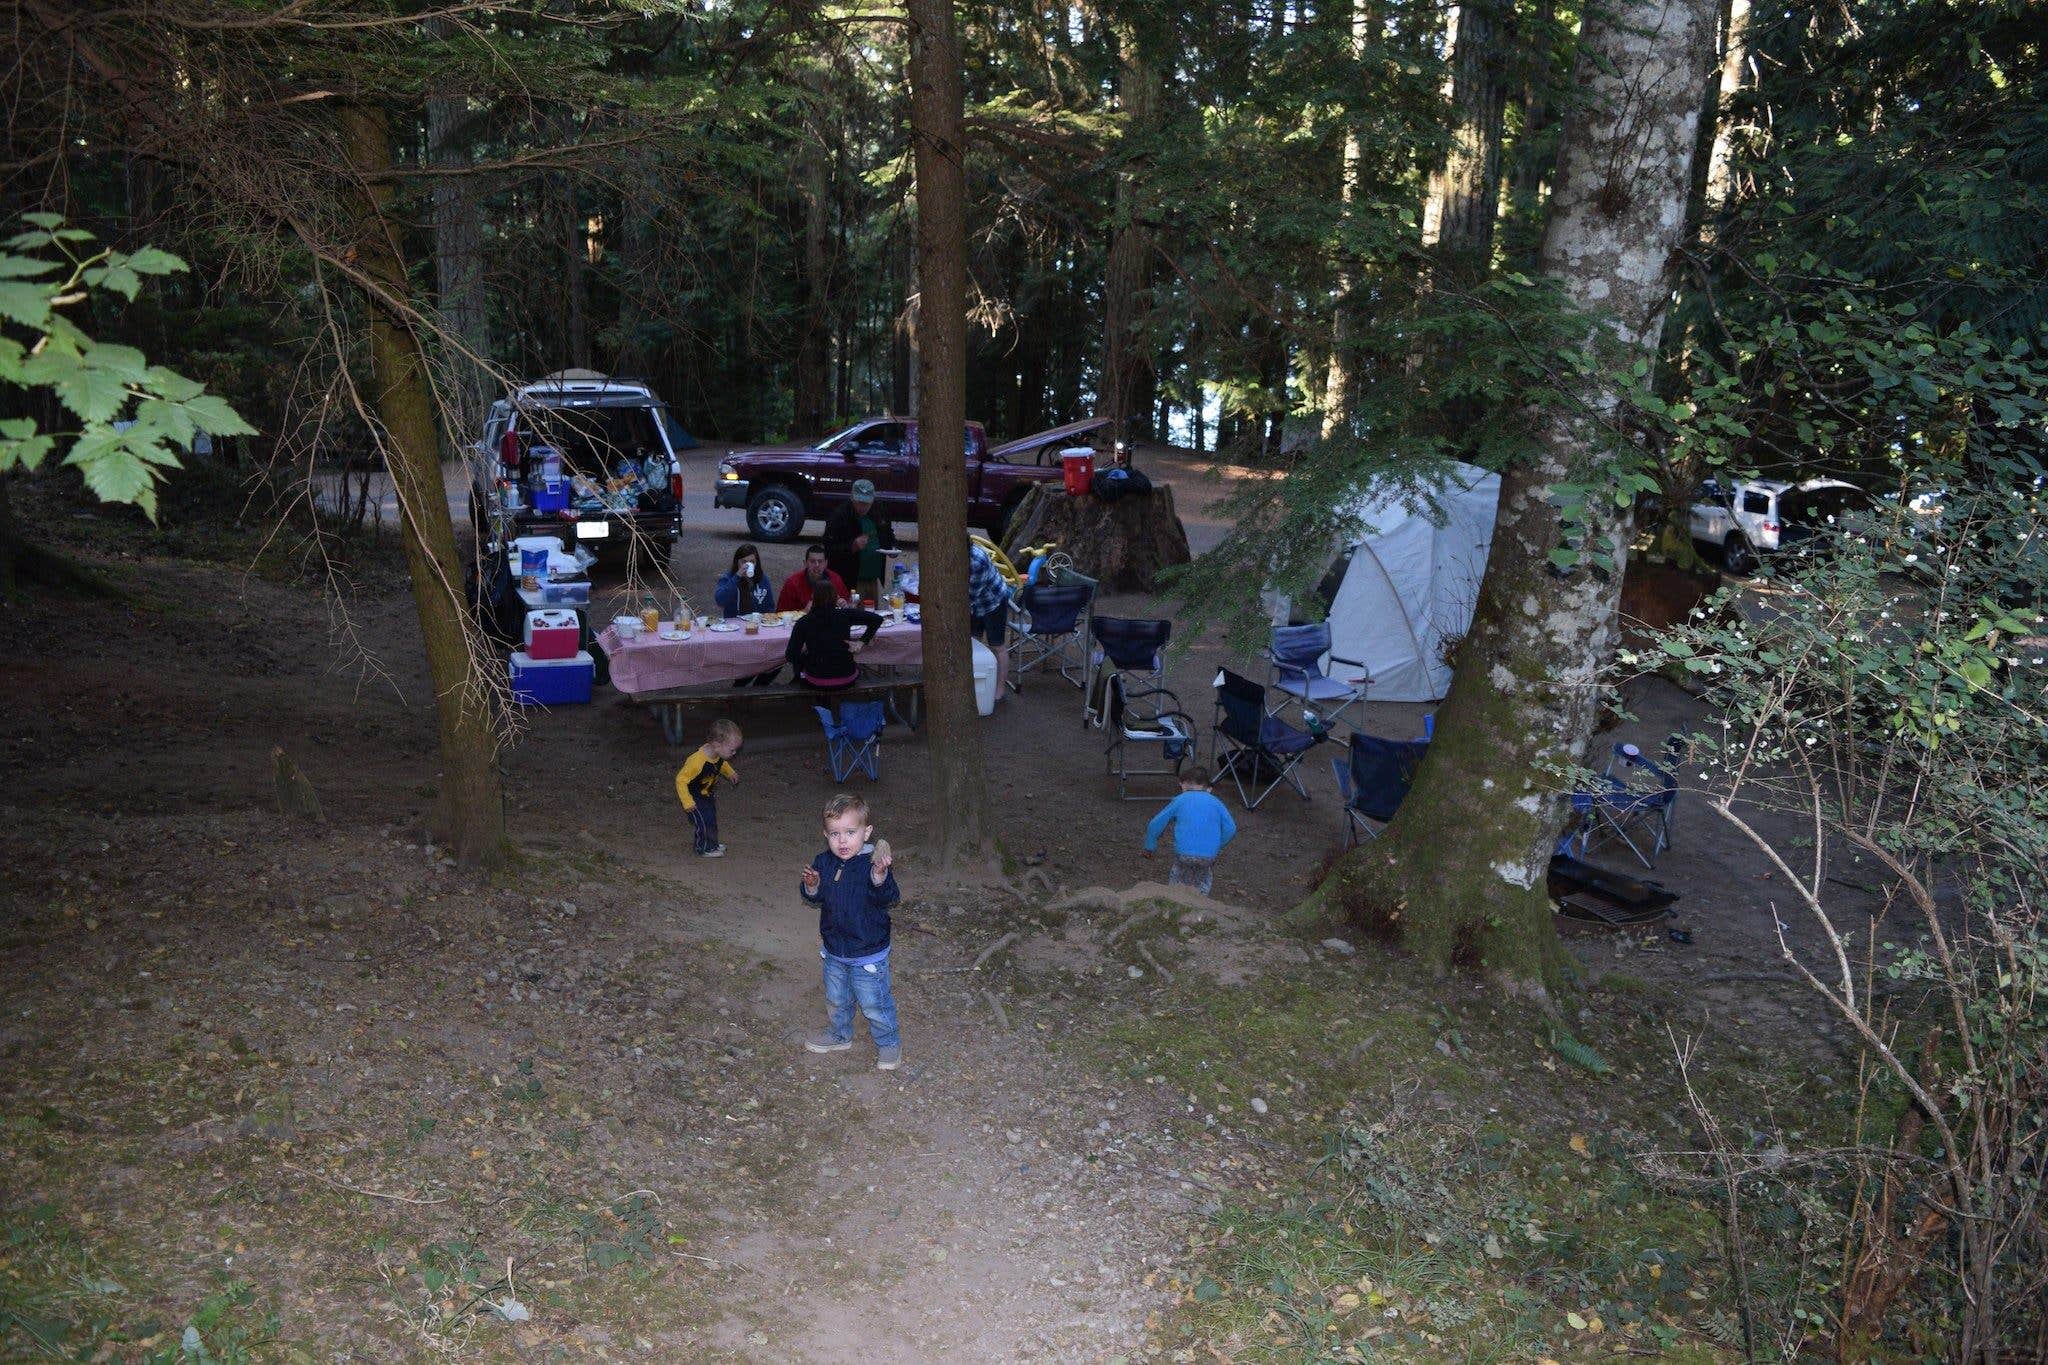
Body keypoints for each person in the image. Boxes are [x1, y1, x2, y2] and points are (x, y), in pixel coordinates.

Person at [800, 792, 901, 1070]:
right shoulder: (824, 861)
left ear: (866, 832)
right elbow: (815, 897)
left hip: (868, 952)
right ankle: (839, 1034)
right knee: (837, 997)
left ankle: (889, 1042)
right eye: (834, 834)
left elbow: (889, 897)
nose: (842, 840)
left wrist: (879, 877)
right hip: (834, 948)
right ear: (825, 835)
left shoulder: (872, 865)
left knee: (874, 1003)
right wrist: (812, 885)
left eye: (850, 832)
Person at [1141, 765, 1236, 895]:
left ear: (1183, 785)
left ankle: (1174, 900)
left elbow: (1155, 823)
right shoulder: (1216, 802)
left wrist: (1149, 846)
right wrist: (1217, 845)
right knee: (1203, 878)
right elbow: (1231, 828)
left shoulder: (1180, 800)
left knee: (1178, 877)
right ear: (1209, 789)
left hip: (1184, 853)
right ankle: (1200, 903)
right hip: (1208, 855)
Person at [786, 580, 883, 691]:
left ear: (813, 598)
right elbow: (877, 619)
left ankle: (817, 704)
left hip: (816, 679)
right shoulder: (844, 615)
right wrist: (862, 641)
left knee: (803, 667)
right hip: (847, 677)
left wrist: (809, 657)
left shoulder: (803, 622)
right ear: (835, 597)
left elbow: (790, 655)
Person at [676, 719, 742, 858]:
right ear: (717, 745)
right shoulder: (696, 761)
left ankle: (712, 844)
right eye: (732, 749)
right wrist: (687, 801)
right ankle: (704, 848)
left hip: (707, 795)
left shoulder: (716, 755)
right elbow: (680, 780)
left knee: (711, 819)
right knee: (704, 821)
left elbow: (721, 764)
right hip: (694, 798)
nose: (734, 752)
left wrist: (730, 773)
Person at [823, 479, 896, 603]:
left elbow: (888, 534)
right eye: (859, 502)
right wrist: (852, 546)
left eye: (866, 503)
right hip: (850, 579)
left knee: (871, 614)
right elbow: (829, 549)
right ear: (852, 498)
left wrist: (892, 547)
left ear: (873, 499)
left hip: (872, 578)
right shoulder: (839, 516)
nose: (863, 506)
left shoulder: (879, 511)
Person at [967, 538, 1012, 696]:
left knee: (997, 645)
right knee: (973, 642)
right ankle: (975, 684)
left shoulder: (976, 562)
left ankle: (1000, 690)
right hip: (976, 605)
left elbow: (969, 598)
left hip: (994, 603)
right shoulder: (963, 556)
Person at [777, 543, 849, 612]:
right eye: (812, 561)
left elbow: (849, 607)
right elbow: (780, 614)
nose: (817, 565)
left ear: (826, 563)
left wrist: (845, 606)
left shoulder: (835, 579)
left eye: (820, 561)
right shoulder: (792, 583)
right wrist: (804, 612)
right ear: (805, 563)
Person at [715, 543, 775, 618]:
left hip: (757, 622)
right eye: (744, 562)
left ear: (756, 563)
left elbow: (770, 606)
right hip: (734, 623)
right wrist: (737, 576)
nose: (748, 565)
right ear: (737, 562)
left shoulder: (762, 579)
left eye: (752, 562)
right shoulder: (727, 578)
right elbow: (720, 601)